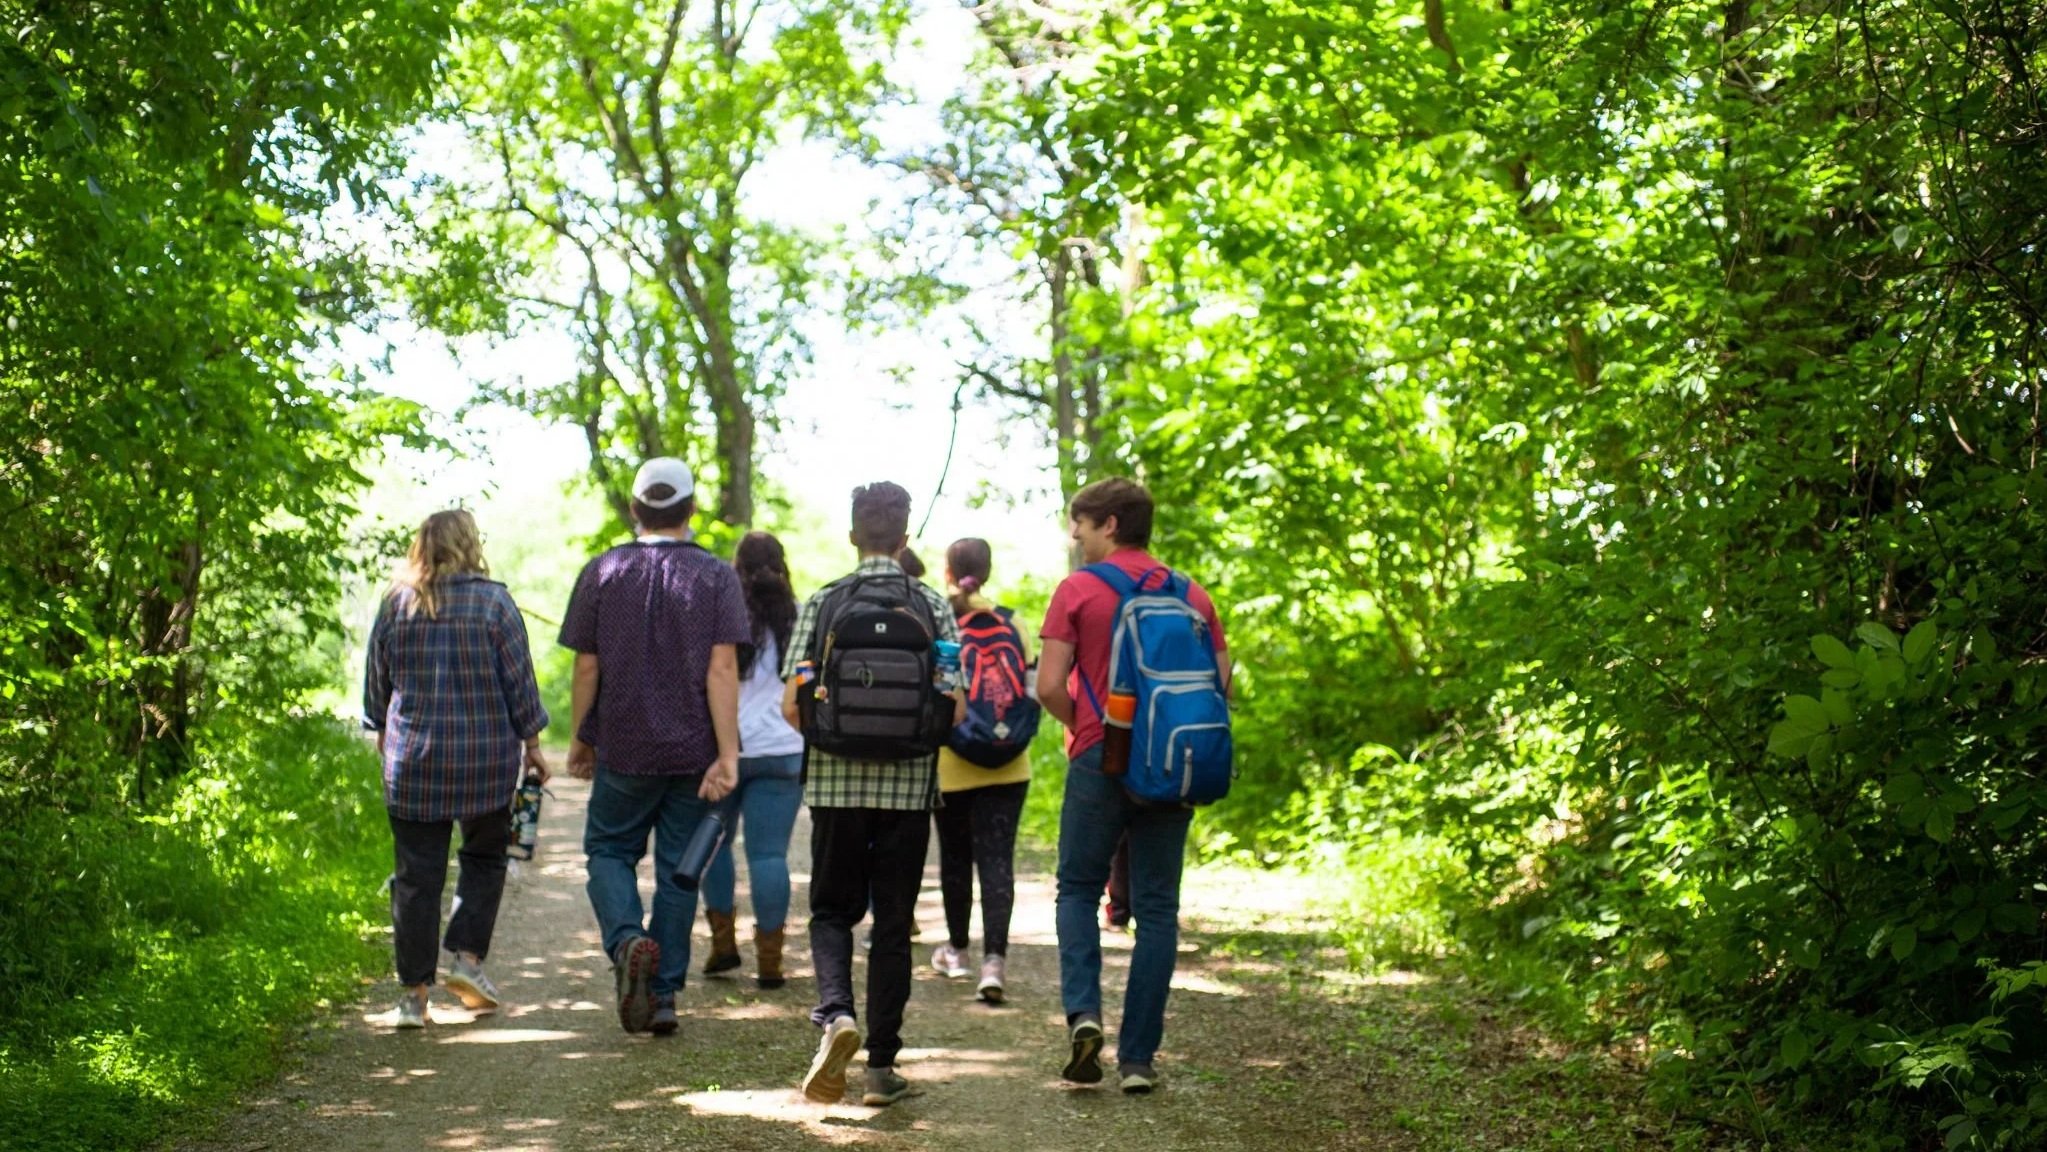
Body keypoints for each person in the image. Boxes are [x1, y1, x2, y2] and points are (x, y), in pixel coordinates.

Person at [1037, 478, 1228, 1094]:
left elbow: (1047, 687)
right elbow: (1219, 683)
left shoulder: (1078, 590)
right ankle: (1139, 1059)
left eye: (1082, 523)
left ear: (1111, 524)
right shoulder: (1192, 594)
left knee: (1078, 890)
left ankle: (1085, 1015)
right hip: (1174, 763)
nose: (1076, 534)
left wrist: (1087, 732)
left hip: (1101, 757)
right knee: (1156, 910)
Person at [781, 482, 962, 1107]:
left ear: (854, 535)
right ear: (905, 537)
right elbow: (954, 705)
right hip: (910, 788)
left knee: (832, 910)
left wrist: (833, 732)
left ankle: (836, 1015)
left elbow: (790, 705)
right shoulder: (934, 607)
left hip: (834, 782)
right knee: (891, 922)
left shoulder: (825, 603)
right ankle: (882, 1069)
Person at [558, 458, 749, 1037]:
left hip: (623, 744)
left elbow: (587, 665)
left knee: (609, 851)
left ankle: (626, 942)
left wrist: (579, 737)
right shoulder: (716, 576)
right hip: (692, 752)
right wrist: (728, 753)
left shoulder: (604, 570)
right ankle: (663, 995)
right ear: (690, 510)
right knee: (676, 871)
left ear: (635, 510)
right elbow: (722, 668)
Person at [363, 509, 550, 1029]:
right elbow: (520, 681)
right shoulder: (494, 602)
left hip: (413, 761)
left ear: (421, 545)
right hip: (484, 762)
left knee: (416, 877)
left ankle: (412, 999)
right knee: (484, 859)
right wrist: (532, 742)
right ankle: (467, 962)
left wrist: (380, 726)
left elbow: (376, 682)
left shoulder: (397, 604)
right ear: (470, 544)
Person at [697, 531, 805, 990]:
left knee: (714, 845)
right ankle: (771, 961)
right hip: (784, 748)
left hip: (727, 745)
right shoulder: (798, 617)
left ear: (736, 567)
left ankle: (723, 946)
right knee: (768, 854)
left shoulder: (722, 613)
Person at [930, 537, 1033, 1005]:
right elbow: (1028, 692)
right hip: (1010, 762)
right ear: (987, 571)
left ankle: (957, 952)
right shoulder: (1015, 623)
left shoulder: (945, 627)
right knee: (998, 861)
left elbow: (942, 698)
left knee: (955, 858)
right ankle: (995, 962)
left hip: (954, 763)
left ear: (949, 572)